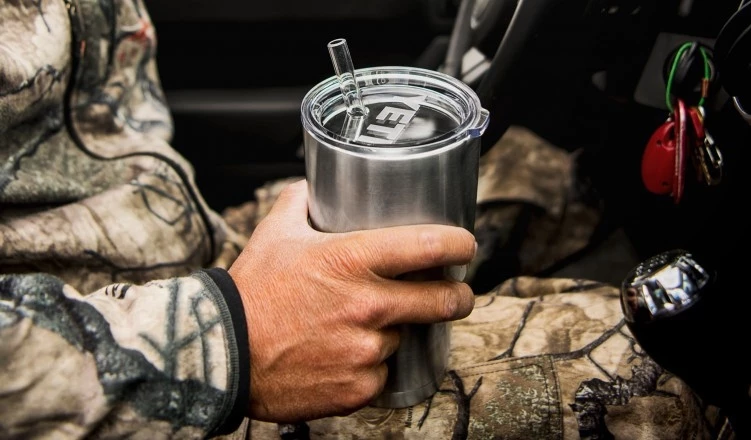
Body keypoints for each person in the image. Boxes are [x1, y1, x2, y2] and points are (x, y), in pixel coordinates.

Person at [0, 1, 730, 439]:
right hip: (146, 377)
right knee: (670, 376)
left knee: (544, 174)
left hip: (181, 247)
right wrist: (233, 336)